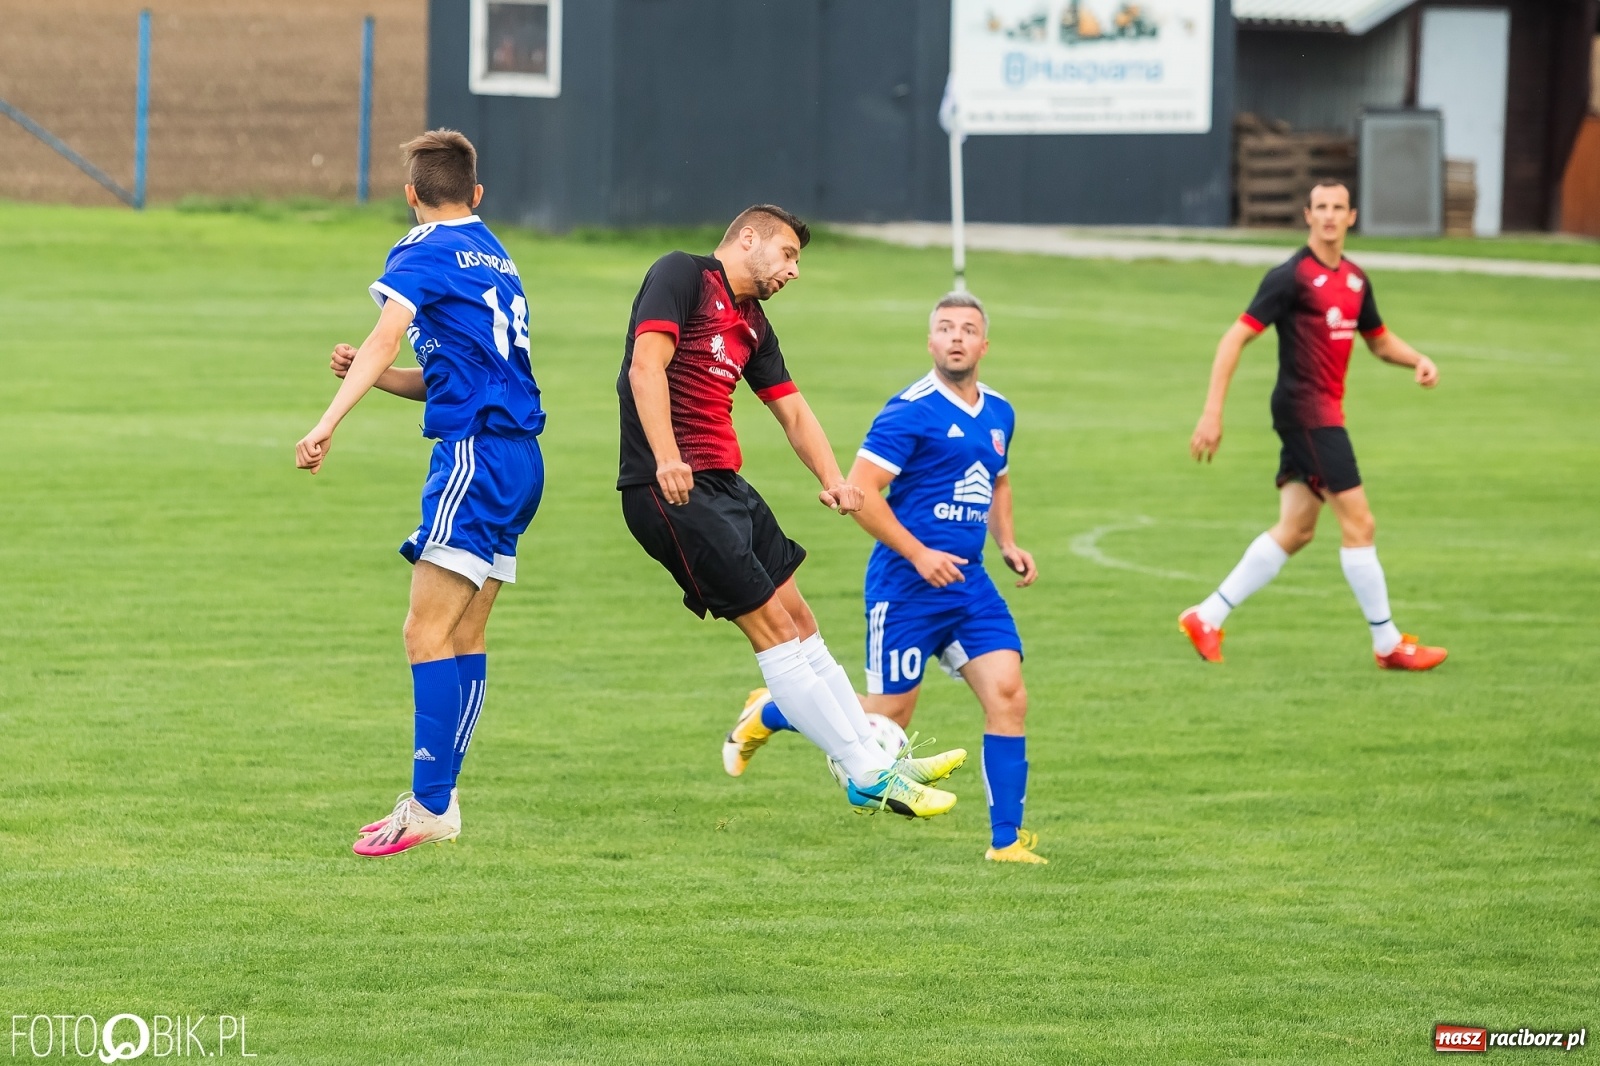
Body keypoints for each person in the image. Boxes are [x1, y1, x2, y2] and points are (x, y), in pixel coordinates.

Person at [618, 205, 966, 819]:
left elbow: (793, 411)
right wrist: (667, 458)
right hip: (670, 489)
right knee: (776, 634)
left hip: (727, 486)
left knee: (803, 621)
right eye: (787, 254)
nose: (793, 271)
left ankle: (873, 757)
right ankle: (867, 773)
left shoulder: (753, 323)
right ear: (746, 239)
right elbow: (644, 369)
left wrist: (834, 479)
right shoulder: (682, 275)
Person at [726, 293, 1047, 864]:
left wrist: (1007, 543)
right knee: (884, 720)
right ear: (930, 342)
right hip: (906, 586)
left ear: (984, 345)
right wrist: (920, 553)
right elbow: (860, 491)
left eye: (967, 329)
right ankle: (770, 711)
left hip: (970, 586)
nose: (956, 337)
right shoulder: (910, 410)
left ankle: (1006, 843)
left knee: (1009, 695)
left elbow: (996, 480)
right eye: (945, 328)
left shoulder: (1000, 412)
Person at [295, 129, 547, 856]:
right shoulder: (493, 252)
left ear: (411, 195)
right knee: (462, 633)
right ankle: (437, 801)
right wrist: (367, 379)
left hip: (473, 458)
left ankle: (431, 805)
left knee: (422, 632)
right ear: (475, 194)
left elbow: (386, 336)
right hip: (518, 459)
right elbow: (446, 373)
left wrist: (328, 420)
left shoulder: (419, 249)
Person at [1180, 180, 1447, 671]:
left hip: (1322, 413)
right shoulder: (1290, 277)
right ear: (1307, 215)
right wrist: (1212, 412)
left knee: (1297, 529)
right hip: (1307, 414)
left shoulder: (1355, 280)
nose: (1328, 215)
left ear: (1351, 217)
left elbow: (1379, 340)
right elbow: (1233, 340)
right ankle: (1387, 643)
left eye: (1337, 208)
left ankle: (1207, 616)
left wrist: (1417, 360)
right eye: (1320, 207)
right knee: (1360, 523)